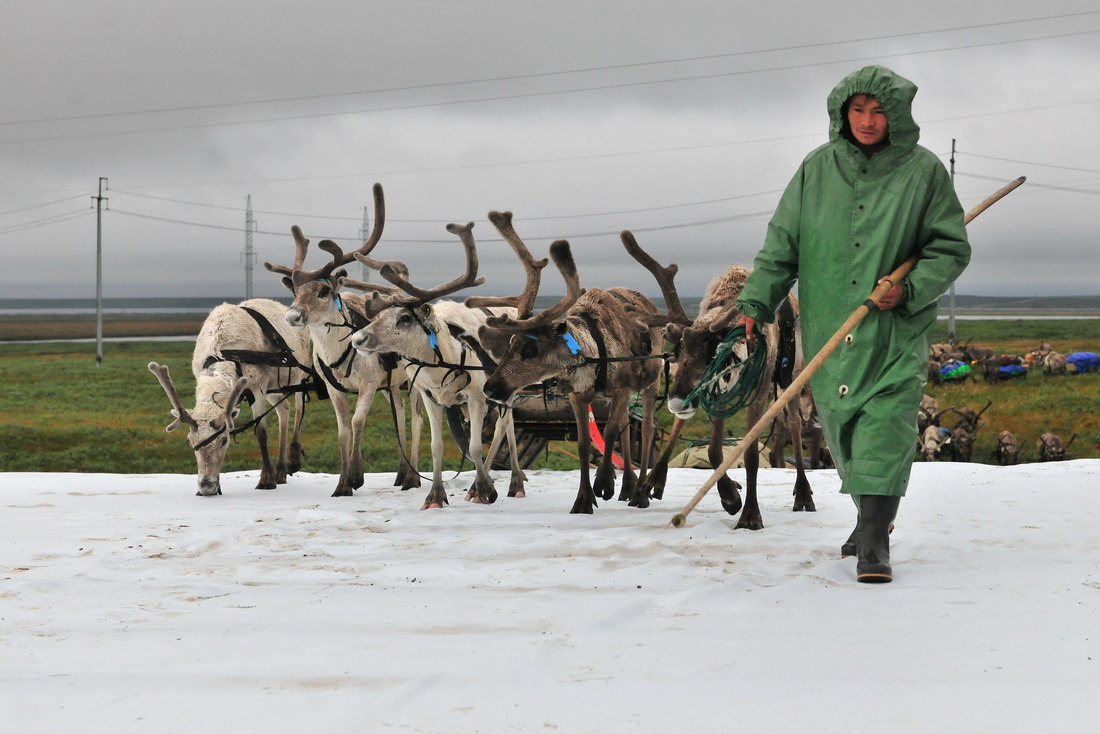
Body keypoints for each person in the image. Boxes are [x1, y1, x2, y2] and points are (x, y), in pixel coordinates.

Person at [734, 65, 971, 583]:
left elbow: (949, 247)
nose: (867, 120)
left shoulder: (924, 172)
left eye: (879, 110)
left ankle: (873, 542)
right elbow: (782, 247)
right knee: (842, 428)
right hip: (829, 327)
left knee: (886, 427)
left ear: (897, 115)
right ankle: (869, 519)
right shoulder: (815, 170)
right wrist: (755, 303)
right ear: (843, 112)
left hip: (893, 330)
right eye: (858, 109)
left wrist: (907, 289)